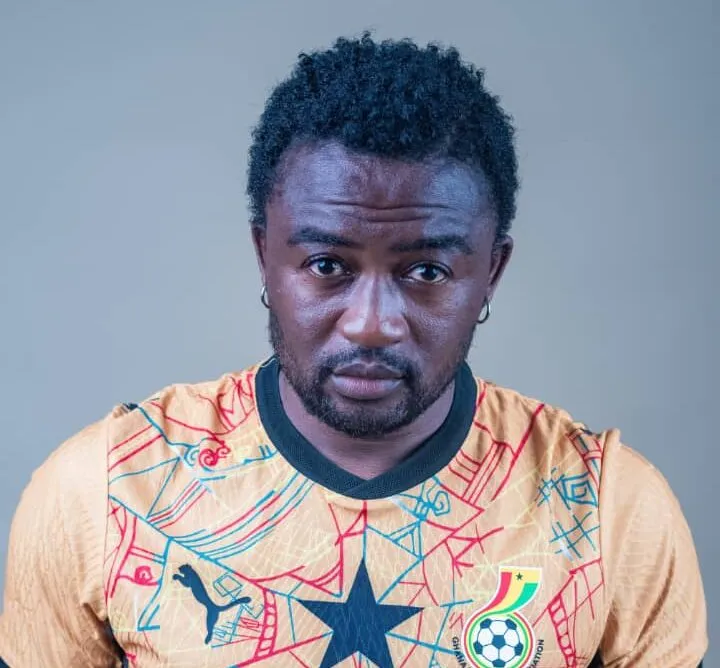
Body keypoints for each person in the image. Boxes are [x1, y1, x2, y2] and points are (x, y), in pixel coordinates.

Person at [0, 33, 707, 668]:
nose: (371, 325)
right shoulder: (106, 491)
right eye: (327, 266)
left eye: (426, 271)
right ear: (265, 256)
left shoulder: (609, 510)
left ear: (491, 272)